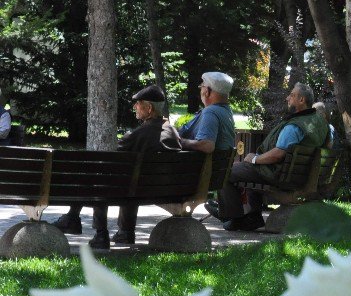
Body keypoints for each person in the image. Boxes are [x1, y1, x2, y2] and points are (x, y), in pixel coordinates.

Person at [53, 85, 181, 248]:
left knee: (99, 180)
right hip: (167, 189)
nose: (134, 106)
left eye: (138, 103)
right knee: (132, 181)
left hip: (135, 189)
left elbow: (108, 161)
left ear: (149, 108)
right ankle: (125, 233)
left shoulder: (138, 135)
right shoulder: (173, 132)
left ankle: (97, 232)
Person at [211, 82, 329, 231]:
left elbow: (277, 154)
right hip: (299, 175)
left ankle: (230, 215)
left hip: (277, 174)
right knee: (247, 171)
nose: (287, 98)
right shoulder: (319, 123)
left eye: (291, 95)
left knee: (225, 171)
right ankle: (252, 217)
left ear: (301, 100)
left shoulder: (294, 126)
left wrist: (254, 159)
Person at [178, 72, 236, 153]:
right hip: (219, 164)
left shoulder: (210, 112)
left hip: (198, 165)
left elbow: (207, 146)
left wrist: (178, 141)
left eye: (201, 87)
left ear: (207, 91)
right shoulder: (227, 112)